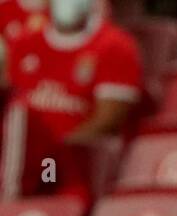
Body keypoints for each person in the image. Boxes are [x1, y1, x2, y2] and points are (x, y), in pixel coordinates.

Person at [0, 0, 141, 202]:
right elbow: (12, 108)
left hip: (77, 170)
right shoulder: (24, 43)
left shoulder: (116, 46)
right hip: (21, 163)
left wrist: (54, 156)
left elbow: (108, 120)